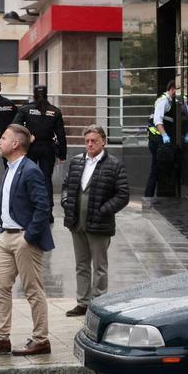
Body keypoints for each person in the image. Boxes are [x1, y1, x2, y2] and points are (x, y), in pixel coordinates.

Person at [0, 123, 54, 356]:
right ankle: (0, 338)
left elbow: (43, 207)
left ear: (15, 144)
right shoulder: (8, 167)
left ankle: (41, 340)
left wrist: (29, 237)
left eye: (3, 138)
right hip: (5, 236)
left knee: (32, 290)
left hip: (24, 238)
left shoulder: (30, 170)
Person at [60, 125, 130, 317]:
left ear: (103, 141)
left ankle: (99, 303)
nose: (90, 144)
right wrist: (66, 201)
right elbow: (66, 186)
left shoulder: (114, 164)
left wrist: (103, 211)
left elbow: (123, 195)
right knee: (81, 265)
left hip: (99, 224)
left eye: (94, 141)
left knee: (99, 266)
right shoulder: (76, 162)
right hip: (77, 222)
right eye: (87, 141)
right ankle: (82, 303)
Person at [13, 85, 67, 222]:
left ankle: (28, 209)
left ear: (34, 95)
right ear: (47, 94)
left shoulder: (25, 109)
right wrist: (62, 154)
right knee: (46, 180)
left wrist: (26, 138)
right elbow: (61, 135)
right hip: (48, 148)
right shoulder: (55, 111)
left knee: (27, 177)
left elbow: (15, 127)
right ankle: (47, 212)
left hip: (30, 147)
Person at [144, 80, 188, 199]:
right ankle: (149, 197)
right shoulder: (163, 101)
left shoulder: (185, 102)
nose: (176, 93)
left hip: (174, 142)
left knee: (187, 168)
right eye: (175, 89)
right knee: (156, 169)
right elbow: (158, 121)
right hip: (157, 141)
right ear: (171, 89)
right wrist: (164, 136)